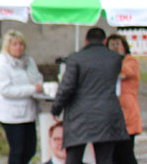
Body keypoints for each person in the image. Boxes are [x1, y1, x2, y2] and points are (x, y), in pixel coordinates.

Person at [51, 27, 129, 164]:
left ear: (86, 41)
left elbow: (66, 88)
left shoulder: (75, 58)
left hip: (79, 116)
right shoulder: (115, 58)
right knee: (104, 159)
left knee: (74, 158)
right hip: (107, 115)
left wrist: (55, 109)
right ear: (105, 41)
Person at [0, 30, 44, 164]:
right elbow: (5, 90)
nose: (18, 47)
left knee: (31, 149)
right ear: (8, 46)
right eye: (15, 44)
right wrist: (31, 89)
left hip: (29, 112)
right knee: (17, 150)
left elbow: (36, 76)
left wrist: (39, 83)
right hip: (12, 115)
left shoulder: (28, 61)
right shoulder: (2, 64)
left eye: (21, 44)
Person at [106, 33, 140, 164]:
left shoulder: (130, 61)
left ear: (124, 47)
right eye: (112, 44)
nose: (115, 47)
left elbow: (124, 72)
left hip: (127, 115)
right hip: (111, 115)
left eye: (117, 44)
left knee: (126, 154)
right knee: (113, 156)